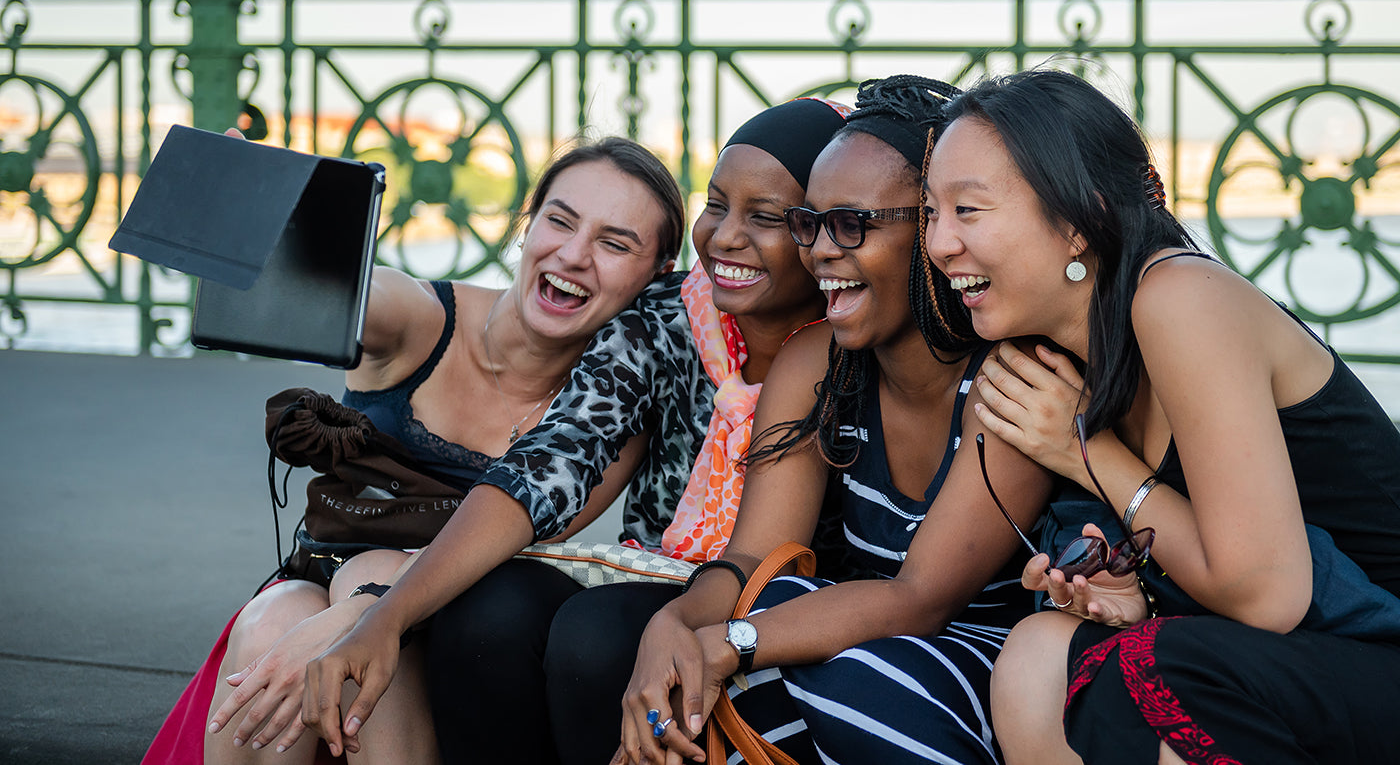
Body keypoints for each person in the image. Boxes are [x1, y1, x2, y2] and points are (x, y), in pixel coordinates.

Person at [152, 135, 705, 764]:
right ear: (528, 226)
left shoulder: (612, 417)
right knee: (273, 620)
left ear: (658, 278)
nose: (574, 255)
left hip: (452, 626)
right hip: (319, 587)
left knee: (368, 653)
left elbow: (520, 543)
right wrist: (250, 212)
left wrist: (363, 616)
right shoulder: (420, 318)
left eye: (614, 243)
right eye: (560, 220)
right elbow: (341, 296)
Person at [922, 69, 1400, 765]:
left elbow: (1266, 593)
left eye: (967, 210)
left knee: (1157, 670)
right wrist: (1127, 592)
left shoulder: (1180, 298)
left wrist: (1084, 447)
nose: (938, 244)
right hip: (1299, 662)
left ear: (1079, 220)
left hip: (1377, 651)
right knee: (1040, 655)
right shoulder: (1060, 357)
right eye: (931, 212)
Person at [613, 75, 1054, 765]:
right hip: (864, 646)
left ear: (935, 228)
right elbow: (755, 556)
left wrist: (727, 643)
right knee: (725, 652)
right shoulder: (816, 362)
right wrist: (670, 627)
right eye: (808, 223)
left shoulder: (1012, 377)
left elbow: (922, 598)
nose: (819, 249)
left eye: (852, 224)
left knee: (816, 665)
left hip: (987, 662)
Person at [424, 97, 851, 765]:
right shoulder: (665, 318)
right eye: (716, 204)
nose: (726, 236)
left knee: (597, 636)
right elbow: (554, 463)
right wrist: (379, 613)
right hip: (659, 571)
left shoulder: (859, 343)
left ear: (825, 231)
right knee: (487, 611)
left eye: (765, 217)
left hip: (795, 608)